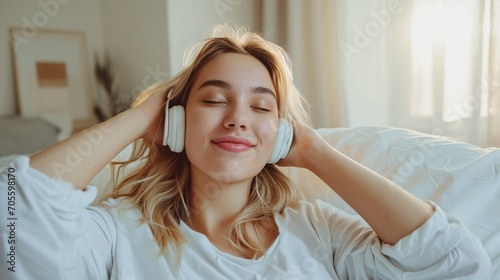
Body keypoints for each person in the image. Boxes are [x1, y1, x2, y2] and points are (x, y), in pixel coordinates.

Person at [0, 25, 491, 280]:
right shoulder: (117, 233)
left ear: (279, 135)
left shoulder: (316, 230)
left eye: (261, 107)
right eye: (213, 100)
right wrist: (137, 119)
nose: (237, 117)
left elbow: (458, 266)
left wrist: (315, 150)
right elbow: (12, 212)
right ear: (175, 123)